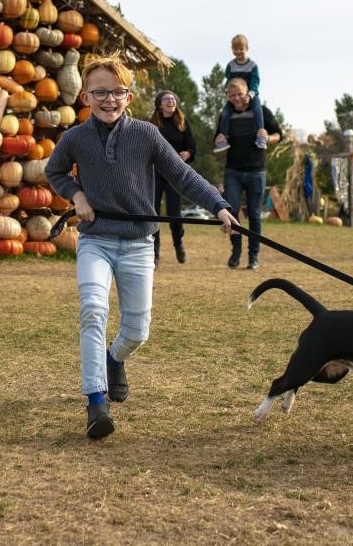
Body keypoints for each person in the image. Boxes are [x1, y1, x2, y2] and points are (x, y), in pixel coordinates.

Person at [45, 54, 238, 440]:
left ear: (129, 97)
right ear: (85, 96)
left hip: (137, 243)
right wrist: (77, 195)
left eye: (116, 92)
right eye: (100, 92)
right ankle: (95, 400)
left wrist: (218, 205)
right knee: (93, 310)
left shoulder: (147, 135)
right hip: (96, 239)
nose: (108, 99)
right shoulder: (75, 139)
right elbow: (55, 171)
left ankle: (115, 359)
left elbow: (182, 176)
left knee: (137, 331)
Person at [214, 77, 282, 270]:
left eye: (240, 94)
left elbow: (279, 135)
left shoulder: (262, 112)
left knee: (254, 214)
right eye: (232, 95)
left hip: (256, 171)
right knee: (231, 211)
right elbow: (218, 140)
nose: (236, 99)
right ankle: (236, 252)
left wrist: (268, 137)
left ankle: (253, 257)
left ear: (248, 93)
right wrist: (218, 137)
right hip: (233, 171)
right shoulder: (226, 115)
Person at [150, 89, 196, 267]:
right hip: (155, 173)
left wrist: (187, 153)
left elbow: (191, 147)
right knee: (152, 213)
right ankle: (154, 253)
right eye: (166, 99)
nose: (171, 101)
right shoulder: (153, 124)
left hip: (175, 173)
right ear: (159, 105)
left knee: (174, 214)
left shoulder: (182, 123)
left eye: (173, 99)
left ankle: (178, 243)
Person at [213, 34, 266, 153]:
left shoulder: (252, 65)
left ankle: (260, 136)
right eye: (235, 49)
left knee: (258, 110)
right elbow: (228, 80)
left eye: (241, 49)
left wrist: (250, 95)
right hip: (235, 95)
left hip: (250, 94)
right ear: (232, 49)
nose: (238, 51)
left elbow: (255, 82)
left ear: (247, 48)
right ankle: (223, 139)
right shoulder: (231, 65)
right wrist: (227, 91)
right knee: (225, 113)